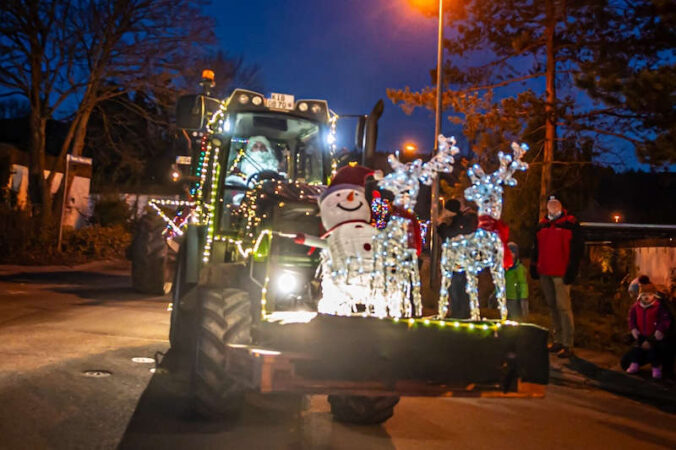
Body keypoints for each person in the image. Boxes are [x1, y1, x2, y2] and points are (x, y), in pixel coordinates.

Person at [530, 195, 583, 359]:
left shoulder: (571, 224)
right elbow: (536, 247)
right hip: (545, 271)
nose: (553, 206)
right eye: (550, 204)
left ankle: (568, 343)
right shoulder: (542, 225)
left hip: (562, 272)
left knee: (564, 308)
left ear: (561, 206)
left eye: (556, 204)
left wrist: (572, 271)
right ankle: (558, 339)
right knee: (553, 307)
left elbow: (578, 249)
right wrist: (534, 266)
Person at [437, 197, 478, 319]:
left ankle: (459, 314)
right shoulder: (461, 220)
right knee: (459, 288)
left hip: (458, 261)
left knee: (456, 288)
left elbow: (448, 235)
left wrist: (441, 225)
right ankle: (461, 312)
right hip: (461, 261)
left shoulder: (458, 222)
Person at [624, 282, 672, 379]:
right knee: (637, 350)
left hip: (653, 335)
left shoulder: (658, 306)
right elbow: (631, 318)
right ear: (640, 296)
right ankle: (634, 364)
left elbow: (665, 319)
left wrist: (660, 330)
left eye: (649, 295)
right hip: (641, 334)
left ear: (654, 295)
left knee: (653, 352)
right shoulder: (636, 307)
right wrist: (633, 329)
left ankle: (656, 368)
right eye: (644, 295)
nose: (647, 297)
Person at [505, 241, 529, 320]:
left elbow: (523, 283)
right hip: (506, 297)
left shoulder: (519, 268)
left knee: (516, 318)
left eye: (512, 252)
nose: (511, 255)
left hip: (515, 298)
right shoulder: (505, 268)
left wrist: (523, 298)